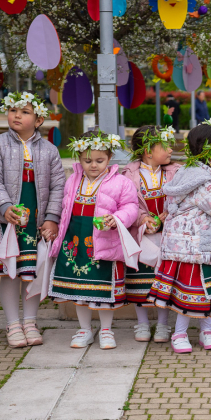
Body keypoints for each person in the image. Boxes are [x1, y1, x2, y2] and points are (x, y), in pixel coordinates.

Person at [150, 120, 211, 354]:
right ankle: (180, 334)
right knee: (193, 291)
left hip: (188, 245)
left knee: (205, 289)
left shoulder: (189, 172)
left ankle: (207, 330)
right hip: (195, 247)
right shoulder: (203, 180)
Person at [0, 92, 63, 349]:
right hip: (8, 219)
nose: (17, 115)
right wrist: (5, 207)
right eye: (13, 110)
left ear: (38, 120)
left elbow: (58, 186)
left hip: (35, 219)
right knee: (11, 273)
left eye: (25, 112)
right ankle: (13, 323)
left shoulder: (49, 149)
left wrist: (51, 218)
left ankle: (30, 321)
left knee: (31, 271)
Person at [47, 131, 140, 350]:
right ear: (79, 158)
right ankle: (84, 329)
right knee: (79, 290)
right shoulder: (73, 180)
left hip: (104, 242)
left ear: (109, 158)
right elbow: (65, 208)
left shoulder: (121, 182)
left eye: (100, 160)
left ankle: (107, 331)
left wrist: (116, 219)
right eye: (88, 161)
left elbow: (131, 207)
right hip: (75, 240)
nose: (94, 165)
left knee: (102, 290)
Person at [121, 125, 180, 343]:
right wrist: (142, 219)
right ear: (148, 151)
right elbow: (127, 203)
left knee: (163, 279)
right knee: (139, 280)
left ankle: (164, 324)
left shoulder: (175, 171)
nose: (171, 150)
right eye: (165, 146)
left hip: (168, 234)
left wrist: (169, 215)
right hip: (142, 235)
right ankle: (143, 323)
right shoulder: (129, 174)